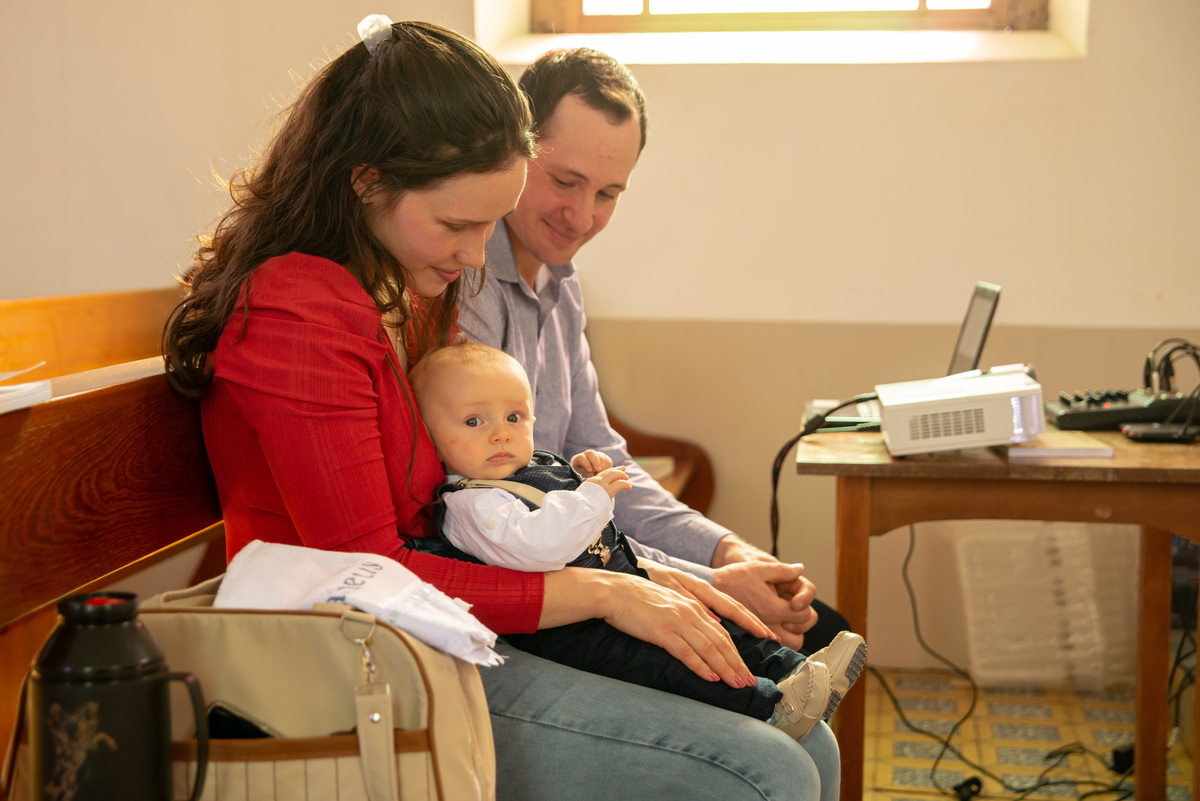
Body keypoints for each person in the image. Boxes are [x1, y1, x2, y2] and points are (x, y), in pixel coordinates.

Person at [163, 16, 841, 800]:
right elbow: (374, 567)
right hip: (352, 659)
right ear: (366, 180)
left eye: (489, 221)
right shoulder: (300, 312)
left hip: (441, 622)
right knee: (764, 768)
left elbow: (480, 506)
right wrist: (609, 590)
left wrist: (651, 571)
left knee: (807, 740)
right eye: (458, 223)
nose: (474, 253)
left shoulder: (409, 289)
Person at [457, 47, 849, 654]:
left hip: (596, 563)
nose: (582, 216)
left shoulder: (562, 284)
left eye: (608, 193)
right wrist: (713, 583)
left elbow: (603, 458)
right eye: (565, 182)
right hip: (529, 591)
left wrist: (726, 550)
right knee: (791, 664)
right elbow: (516, 507)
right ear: (516, 151)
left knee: (826, 628)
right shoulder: (469, 282)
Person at [409, 341, 867, 740]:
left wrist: (580, 475)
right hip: (570, 629)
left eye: (514, 417)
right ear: (430, 436)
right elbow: (540, 546)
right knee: (672, 661)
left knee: (708, 620)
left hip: (615, 581)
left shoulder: (523, 466)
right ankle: (769, 708)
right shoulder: (471, 503)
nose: (500, 433)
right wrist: (591, 495)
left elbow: (569, 511)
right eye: (473, 421)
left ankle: (798, 670)